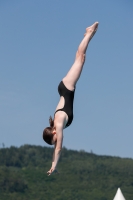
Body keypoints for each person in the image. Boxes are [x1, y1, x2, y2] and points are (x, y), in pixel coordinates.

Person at [43, 22, 99, 176]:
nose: (57, 140)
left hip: (67, 87)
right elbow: (56, 148)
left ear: (53, 133)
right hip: (64, 88)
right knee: (80, 58)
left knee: (80, 59)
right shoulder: (55, 124)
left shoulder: (59, 123)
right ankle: (88, 36)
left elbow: (59, 147)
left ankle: (88, 33)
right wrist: (53, 164)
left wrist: (54, 164)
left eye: (55, 139)